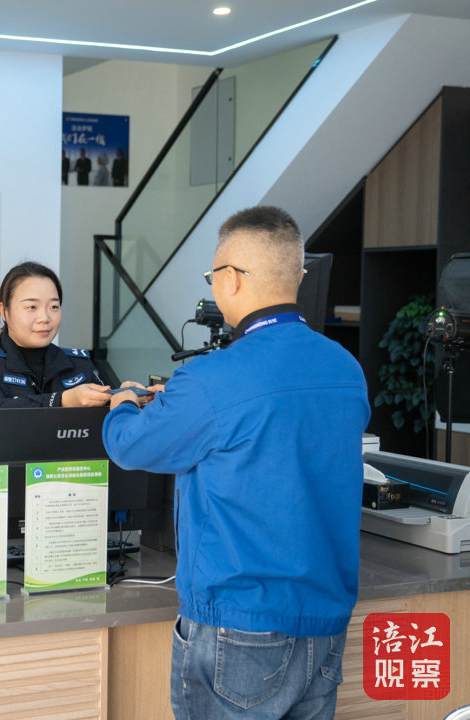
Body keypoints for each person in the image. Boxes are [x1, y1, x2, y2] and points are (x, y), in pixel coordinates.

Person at [102, 206, 369, 720]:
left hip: (239, 623)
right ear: (297, 277)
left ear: (231, 279)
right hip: (326, 619)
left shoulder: (212, 378)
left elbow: (132, 446)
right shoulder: (345, 367)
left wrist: (124, 403)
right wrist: (187, 405)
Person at [0, 261, 112, 465]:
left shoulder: (78, 365)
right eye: (31, 307)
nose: (44, 318)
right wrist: (62, 400)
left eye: (54, 307)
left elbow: (106, 423)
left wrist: (126, 398)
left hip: (61, 480)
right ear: (4, 311)